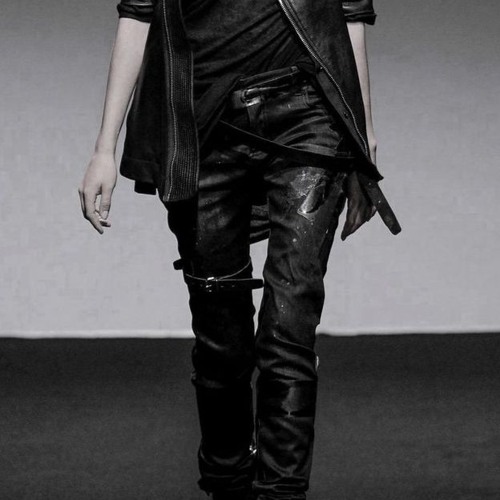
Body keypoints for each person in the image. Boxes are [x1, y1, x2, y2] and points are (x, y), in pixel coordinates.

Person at [79, 1, 400, 498]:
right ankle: (227, 483)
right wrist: (104, 147)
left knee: (289, 326)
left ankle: (281, 493)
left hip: (309, 115)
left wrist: (363, 135)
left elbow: (349, 16)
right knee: (220, 340)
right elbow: (138, 16)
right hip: (203, 123)